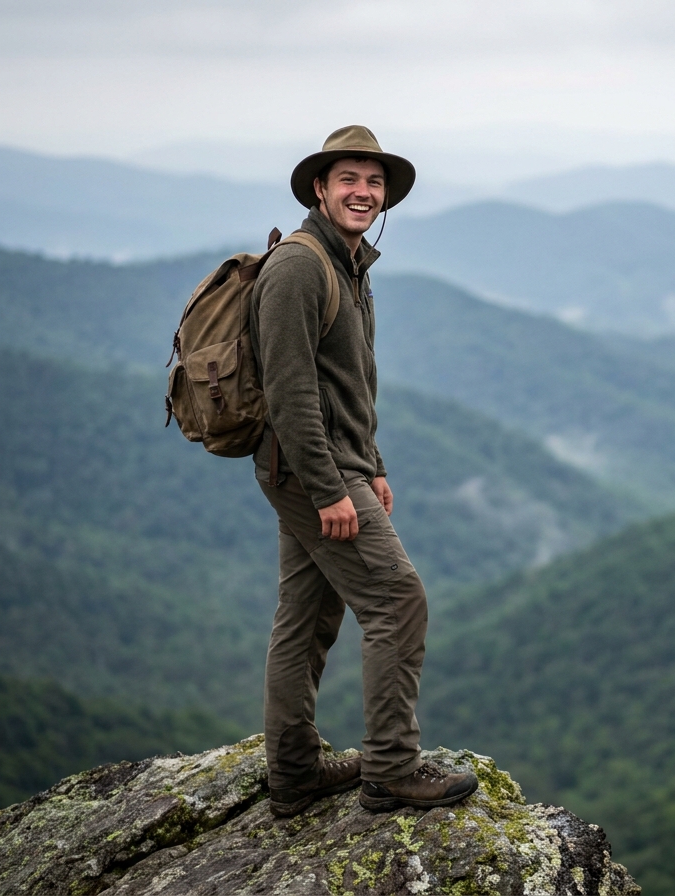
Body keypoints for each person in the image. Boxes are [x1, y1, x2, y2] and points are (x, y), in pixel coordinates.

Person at [249, 125, 477, 817]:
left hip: (334, 463)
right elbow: (290, 391)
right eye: (349, 178)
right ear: (320, 188)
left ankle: (294, 775)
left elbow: (349, 383)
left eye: (374, 182)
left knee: (308, 616)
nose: (363, 192)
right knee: (398, 602)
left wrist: (372, 464)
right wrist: (329, 489)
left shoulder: (347, 263)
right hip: (309, 469)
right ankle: (391, 770)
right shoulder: (299, 267)